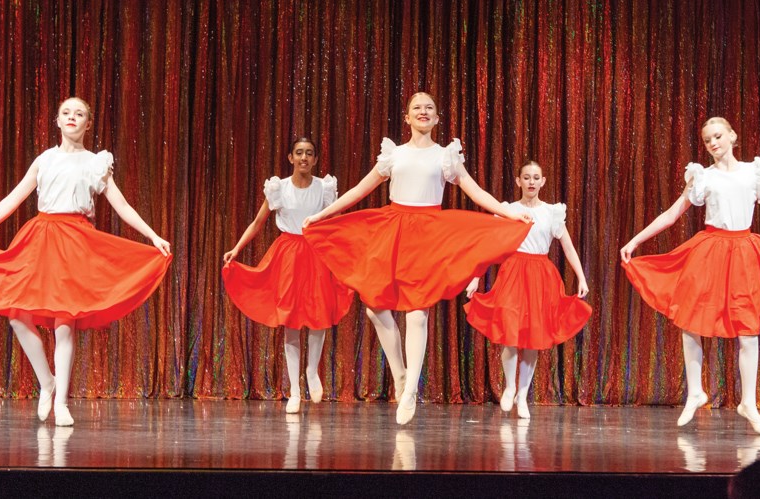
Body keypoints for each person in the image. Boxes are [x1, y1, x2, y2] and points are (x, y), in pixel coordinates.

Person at [302, 92, 532, 424]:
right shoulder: (393, 154)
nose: (423, 112)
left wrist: (510, 215)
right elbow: (358, 190)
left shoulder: (446, 156)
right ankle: (400, 373)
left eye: (429, 108)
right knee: (374, 307)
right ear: (407, 118)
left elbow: (477, 192)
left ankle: (410, 390)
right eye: (416, 108)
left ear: (437, 118)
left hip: (428, 236)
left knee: (417, 314)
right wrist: (322, 215)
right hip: (392, 232)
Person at [0, 97, 172, 426]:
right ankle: (47, 382)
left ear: (88, 124)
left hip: (76, 243)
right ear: (57, 120)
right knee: (17, 316)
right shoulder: (45, 160)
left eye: (79, 114)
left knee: (65, 325)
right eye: (66, 113)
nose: (72, 118)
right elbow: (12, 198)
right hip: (41, 239)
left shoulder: (95, 163)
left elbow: (121, 205)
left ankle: (61, 402)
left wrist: (152, 235)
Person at [620, 117, 760, 435]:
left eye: (717, 136)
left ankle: (748, 404)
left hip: (743, 253)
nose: (713, 143)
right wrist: (635, 241)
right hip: (709, 252)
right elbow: (673, 213)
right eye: (706, 140)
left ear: (732, 136)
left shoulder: (752, 173)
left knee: (748, 331)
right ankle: (696, 391)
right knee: (690, 321)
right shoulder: (702, 177)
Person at [222, 137, 353, 414]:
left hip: (317, 253)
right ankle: (294, 390)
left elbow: (340, 220)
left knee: (319, 318)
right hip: (289, 254)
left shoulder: (324, 188)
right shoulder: (278, 188)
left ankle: (312, 370)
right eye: (299, 153)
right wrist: (236, 248)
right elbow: (258, 222)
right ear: (291, 158)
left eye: (309, 153)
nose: (304, 158)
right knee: (291, 321)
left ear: (315, 160)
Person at [464, 160, 591, 419]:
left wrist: (581, 277)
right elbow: (493, 247)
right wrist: (476, 277)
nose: (531, 182)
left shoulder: (551, 212)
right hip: (513, 273)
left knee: (533, 339)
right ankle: (510, 387)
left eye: (536, 177)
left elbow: (567, 246)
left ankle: (523, 394)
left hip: (540, 276)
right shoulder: (508, 210)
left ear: (542, 182)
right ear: (518, 181)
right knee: (511, 334)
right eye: (527, 177)